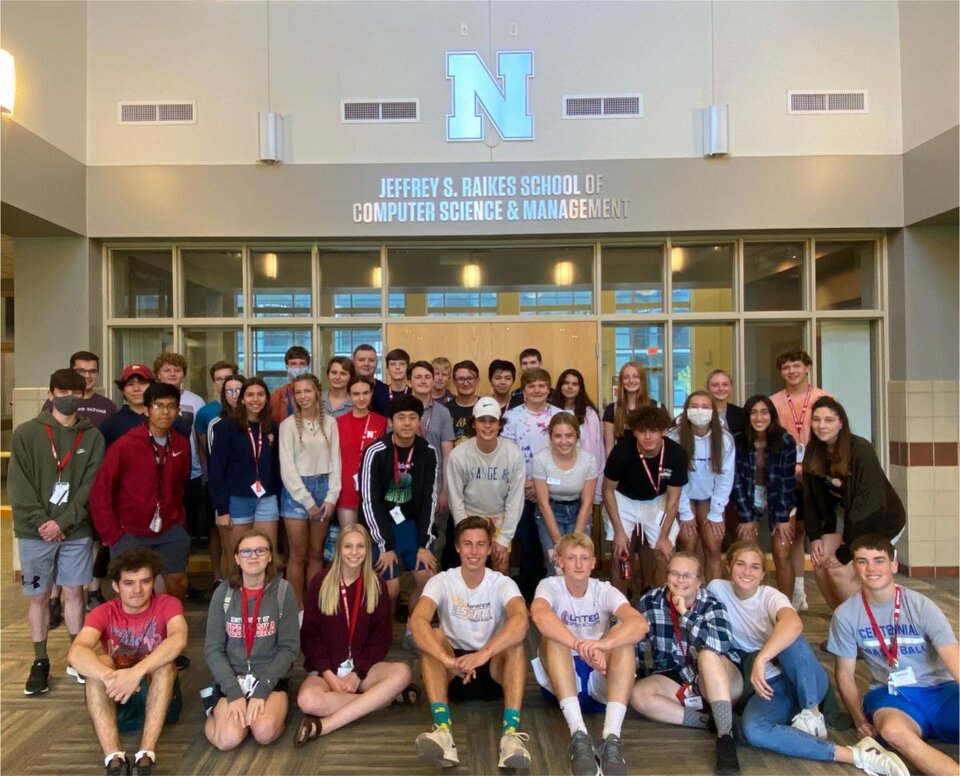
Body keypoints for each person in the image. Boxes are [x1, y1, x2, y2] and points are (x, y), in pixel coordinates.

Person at [709, 541, 908, 775]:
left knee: (788, 635)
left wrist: (762, 658)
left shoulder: (770, 596)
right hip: (770, 688)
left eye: (755, 567)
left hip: (805, 676)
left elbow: (794, 623)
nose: (746, 572)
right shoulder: (716, 589)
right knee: (754, 730)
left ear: (763, 574)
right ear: (728, 566)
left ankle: (812, 713)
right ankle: (857, 755)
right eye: (740, 564)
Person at [409, 516, 533, 770]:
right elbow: (417, 621)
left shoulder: (502, 583)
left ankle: (510, 736)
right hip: (452, 671)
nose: (473, 552)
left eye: (480, 545)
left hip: (493, 669)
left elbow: (522, 620)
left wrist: (484, 654)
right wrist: (447, 660)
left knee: (515, 643)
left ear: (489, 549)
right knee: (431, 635)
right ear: (457, 547)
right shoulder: (442, 580)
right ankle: (443, 732)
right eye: (467, 544)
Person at [10, 368, 105, 695]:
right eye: (63, 392)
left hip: (75, 531)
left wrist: (63, 522)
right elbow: (19, 487)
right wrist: (44, 523)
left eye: (75, 393)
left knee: (74, 592)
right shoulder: (26, 433)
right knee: (38, 596)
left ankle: (77, 657)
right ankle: (40, 661)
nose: (69, 398)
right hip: (35, 532)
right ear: (50, 394)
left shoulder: (92, 436)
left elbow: (90, 486)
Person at [829, 535, 958, 775]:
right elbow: (844, 674)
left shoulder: (921, 605)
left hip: (942, 690)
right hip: (892, 695)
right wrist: (859, 720)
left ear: (893, 565)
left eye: (879, 560)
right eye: (862, 561)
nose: (871, 569)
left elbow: (953, 655)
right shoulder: (846, 615)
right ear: (855, 567)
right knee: (892, 732)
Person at [530, 533, 648, 776]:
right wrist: (578, 644)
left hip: (599, 674)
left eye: (584, 558)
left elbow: (639, 624)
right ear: (559, 562)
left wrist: (604, 645)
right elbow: (539, 615)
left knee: (624, 639)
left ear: (594, 562)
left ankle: (611, 739)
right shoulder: (550, 586)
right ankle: (579, 737)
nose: (579, 564)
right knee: (552, 638)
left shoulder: (603, 590)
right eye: (571, 558)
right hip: (562, 679)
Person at [67, 548, 188, 776]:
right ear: (116, 586)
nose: (138, 590)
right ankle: (114, 757)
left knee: (165, 664)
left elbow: (178, 639)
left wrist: (136, 673)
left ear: (153, 582)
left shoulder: (167, 604)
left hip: (159, 698)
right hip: (116, 697)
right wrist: (108, 677)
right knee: (99, 663)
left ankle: (145, 755)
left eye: (145, 581)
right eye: (129, 583)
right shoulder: (104, 611)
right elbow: (76, 652)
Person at [295, 524, 415, 744]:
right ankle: (382, 700)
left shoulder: (376, 584)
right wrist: (329, 674)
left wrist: (358, 673)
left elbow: (381, 639)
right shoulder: (320, 582)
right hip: (327, 671)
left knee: (403, 672)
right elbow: (310, 636)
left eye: (360, 546)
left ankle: (325, 725)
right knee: (307, 701)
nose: (354, 552)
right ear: (339, 549)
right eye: (348, 546)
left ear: (367, 551)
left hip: (362, 671)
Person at [630, 552, 743, 776]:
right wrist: (638, 672)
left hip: (718, 679)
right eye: (675, 573)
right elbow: (637, 644)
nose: (680, 580)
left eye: (687, 575)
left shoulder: (711, 603)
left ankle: (725, 737)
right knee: (638, 694)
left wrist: (685, 614)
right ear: (667, 575)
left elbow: (721, 644)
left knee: (708, 656)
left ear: (699, 581)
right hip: (678, 678)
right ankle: (705, 721)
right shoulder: (651, 601)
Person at [90, 382, 191, 601]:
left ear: (177, 410)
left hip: (169, 527)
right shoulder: (125, 445)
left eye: (171, 406)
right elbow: (101, 491)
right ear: (146, 410)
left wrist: (179, 521)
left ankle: (169, 629)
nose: (165, 411)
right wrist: (112, 534)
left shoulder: (181, 444)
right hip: (130, 530)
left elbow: (180, 485)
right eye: (158, 405)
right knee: (134, 590)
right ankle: (135, 633)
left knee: (178, 582)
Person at [803, 397, 906, 609]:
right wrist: (814, 537)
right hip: (846, 519)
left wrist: (846, 550)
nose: (822, 425)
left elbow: (868, 503)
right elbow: (810, 498)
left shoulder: (860, 449)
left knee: (839, 570)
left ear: (841, 423)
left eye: (829, 420)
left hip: (879, 520)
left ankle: (867, 628)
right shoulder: (814, 450)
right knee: (821, 561)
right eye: (817, 420)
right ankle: (841, 624)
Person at [203, 529, 299, 751]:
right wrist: (233, 691)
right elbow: (213, 649)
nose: (253, 556)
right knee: (228, 740)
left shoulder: (283, 591)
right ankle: (213, 710)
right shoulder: (223, 593)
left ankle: (272, 713)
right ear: (236, 558)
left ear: (269, 557)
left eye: (260, 550)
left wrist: (263, 688)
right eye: (246, 551)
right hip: (232, 676)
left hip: (270, 677)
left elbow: (289, 648)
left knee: (264, 733)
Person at [359, 394, 438, 622]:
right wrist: (385, 545)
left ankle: (414, 632)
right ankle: (383, 635)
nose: (407, 423)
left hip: (412, 527)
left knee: (428, 580)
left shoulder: (428, 451)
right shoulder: (376, 451)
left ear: (419, 421)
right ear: (391, 421)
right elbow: (368, 501)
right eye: (401, 417)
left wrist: (425, 543)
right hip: (382, 528)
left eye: (412, 418)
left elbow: (429, 500)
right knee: (391, 590)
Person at [770, 348, 832, 612]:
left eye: (796, 366)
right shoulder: (774, 402)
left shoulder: (824, 398)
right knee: (793, 537)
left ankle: (835, 598)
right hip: (787, 479)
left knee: (820, 535)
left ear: (807, 367)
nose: (792, 371)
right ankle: (797, 592)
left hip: (818, 477)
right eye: (786, 367)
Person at [602, 405, 686, 593]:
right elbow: (607, 491)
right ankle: (620, 607)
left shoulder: (676, 454)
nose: (647, 436)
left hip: (658, 501)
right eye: (642, 431)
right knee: (620, 554)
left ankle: (656, 604)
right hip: (623, 500)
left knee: (664, 554)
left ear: (663, 430)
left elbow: (673, 501)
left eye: (653, 431)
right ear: (634, 431)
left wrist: (664, 538)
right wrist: (619, 531)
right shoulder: (621, 451)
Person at [279, 373, 342, 613]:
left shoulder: (331, 423)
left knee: (317, 553)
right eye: (298, 392)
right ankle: (296, 610)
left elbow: (336, 462)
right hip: (297, 493)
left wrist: (331, 497)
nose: (303, 396)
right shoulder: (287, 426)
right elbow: (288, 469)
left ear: (318, 392)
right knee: (297, 554)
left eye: (308, 391)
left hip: (324, 488)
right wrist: (307, 502)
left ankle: (314, 606)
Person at [208, 377, 281, 576]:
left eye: (260, 395)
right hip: (235, 500)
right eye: (250, 395)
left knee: (266, 555)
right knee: (235, 557)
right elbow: (216, 470)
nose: (255, 399)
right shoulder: (225, 427)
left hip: (266, 499)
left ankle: (264, 601)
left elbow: (276, 467)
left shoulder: (272, 427)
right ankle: (231, 601)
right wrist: (222, 509)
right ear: (242, 399)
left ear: (267, 398)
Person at [445, 397, 526, 572]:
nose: (487, 426)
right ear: (473, 423)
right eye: (482, 420)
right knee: (471, 563)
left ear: (500, 424)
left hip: (500, 516)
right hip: (469, 516)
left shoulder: (514, 454)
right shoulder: (458, 454)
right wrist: (465, 533)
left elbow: (516, 500)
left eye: (492, 421)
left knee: (501, 562)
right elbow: (455, 500)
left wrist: (504, 538)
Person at [502, 367, 560, 601]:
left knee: (553, 546)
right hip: (521, 492)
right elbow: (508, 454)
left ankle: (554, 596)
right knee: (528, 548)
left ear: (548, 389)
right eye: (531, 386)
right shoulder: (511, 417)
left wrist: (541, 485)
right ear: (523, 390)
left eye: (542, 385)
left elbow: (565, 452)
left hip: (553, 490)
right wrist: (527, 484)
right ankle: (529, 598)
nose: (537, 390)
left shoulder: (560, 416)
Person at [733, 395, 798, 597]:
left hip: (780, 499)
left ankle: (785, 607)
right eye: (753, 412)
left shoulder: (786, 441)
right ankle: (752, 604)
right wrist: (746, 517)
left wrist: (782, 517)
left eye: (764, 412)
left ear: (771, 415)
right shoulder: (737, 441)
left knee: (782, 552)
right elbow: (735, 481)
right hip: (748, 497)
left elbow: (787, 482)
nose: (758, 417)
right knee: (749, 553)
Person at [667, 391, 735, 583]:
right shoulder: (674, 437)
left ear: (713, 411)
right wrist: (685, 512)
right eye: (694, 406)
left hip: (709, 497)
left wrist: (716, 512)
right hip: (682, 496)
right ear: (686, 410)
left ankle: (714, 596)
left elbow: (725, 477)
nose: (699, 411)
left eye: (705, 407)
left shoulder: (725, 439)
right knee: (688, 543)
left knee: (713, 545)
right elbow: (674, 478)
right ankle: (689, 593)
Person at [154, 352, 206, 556]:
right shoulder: (151, 398)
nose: (172, 374)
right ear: (158, 374)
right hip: (158, 471)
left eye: (177, 370)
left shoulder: (195, 400)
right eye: (167, 370)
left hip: (189, 471)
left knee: (187, 523)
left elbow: (199, 436)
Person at [531, 413, 597, 574]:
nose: (564, 441)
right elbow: (543, 503)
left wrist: (575, 539)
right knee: (557, 564)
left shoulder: (589, 461)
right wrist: (559, 542)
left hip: (579, 512)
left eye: (569, 436)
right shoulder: (540, 460)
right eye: (558, 436)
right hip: (550, 513)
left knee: (578, 561)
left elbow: (587, 502)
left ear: (577, 436)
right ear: (550, 437)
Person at [336, 376, 388, 529]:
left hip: (374, 489)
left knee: (373, 540)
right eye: (356, 394)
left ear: (371, 394)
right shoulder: (337, 423)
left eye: (365, 393)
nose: (361, 398)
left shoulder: (382, 422)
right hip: (346, 489)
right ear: (349, 395)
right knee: (349, 537)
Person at [99, 364, 192, 448]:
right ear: (123, 391)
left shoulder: (171, 419)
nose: (136, 389)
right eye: (130, 384)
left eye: (142, 383)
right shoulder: (110, 425)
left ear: (152, 386)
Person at [550, 368, 604, 505]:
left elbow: (596, 450)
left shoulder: (589, 414)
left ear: (580, 388)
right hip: (554, 476)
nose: (570, 387)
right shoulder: (550, 411)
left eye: (575, 384)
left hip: (583, 476)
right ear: (560, 385)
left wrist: (595, 489)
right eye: (566, 383)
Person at [409, 359, 455, 517]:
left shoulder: (443, 412)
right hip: (405, 481)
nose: (423, 381)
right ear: (409, 381)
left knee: (436, 537)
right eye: (418, 377)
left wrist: (445, 491)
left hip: (435, 482)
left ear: (433, 380)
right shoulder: (398, 409)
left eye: (427, 377)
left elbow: (448, 454)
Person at [42, 350, 118, 428]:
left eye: (93, 371)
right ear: (71, 372)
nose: (88, 376)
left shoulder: (108, 405)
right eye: (81, 371)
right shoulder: (56, 402)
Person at [603, 361, 659, 456]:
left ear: (642, 380)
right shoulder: (611, 409)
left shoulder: (656, 408)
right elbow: (609, 448)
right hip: (622, 464)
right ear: (621, 381)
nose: (631, 381)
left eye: (635, 376)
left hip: (648, 463)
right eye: (626, 377)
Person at [269, 344, 312, 423]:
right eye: (293, 364)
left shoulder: (317, 392)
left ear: (308, 366)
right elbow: (274, 424)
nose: (298, 368)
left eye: (302, 364)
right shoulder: (278, 395)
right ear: (287, 367)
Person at [447, 359, 480, 444]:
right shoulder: (445, 410)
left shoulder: (485, 407)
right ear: (454, 382)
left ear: (477, 381)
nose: (465, 383)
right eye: (461, 379)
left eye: (470, 378)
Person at [372, 347, 411, 416]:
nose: (397, 367)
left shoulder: (414, 393)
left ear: (408, 368)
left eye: (402, 364)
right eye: (393, 364)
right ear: (387, 370)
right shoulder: (377, 394)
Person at [352, 343, 389, 415]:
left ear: (377, 363)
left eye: (371, 360)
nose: (366, 364)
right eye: (361, 360)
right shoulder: (346, 389)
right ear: (354, 363)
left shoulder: (386, 391)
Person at [705, 369, 744, 437]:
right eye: (715, 385)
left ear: (731, 387)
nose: (721, 388)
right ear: (707, 388)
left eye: (725, 385)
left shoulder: (741, 414)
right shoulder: (700, 413)